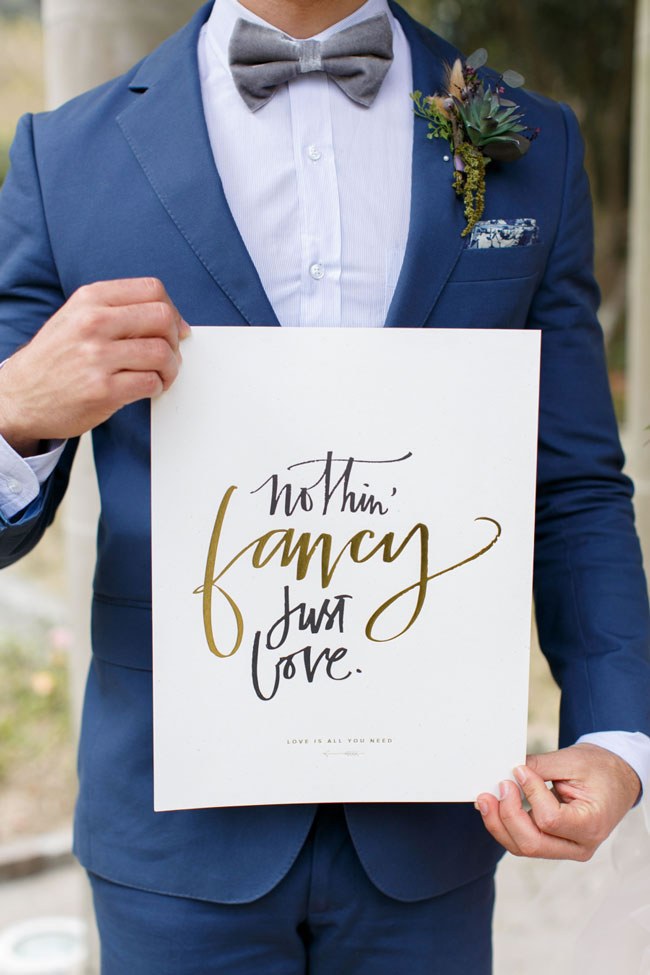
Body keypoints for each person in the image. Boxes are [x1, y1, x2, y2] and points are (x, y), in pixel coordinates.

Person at [0, 0, 648, 971]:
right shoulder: (66, 156)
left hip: (429, 834)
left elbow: (573, 487)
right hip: (173, 843)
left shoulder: (531, 142)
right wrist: (13, 408)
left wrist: (613, 736)